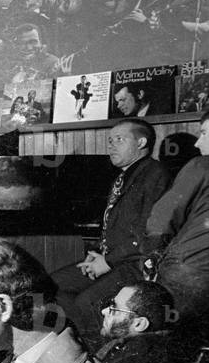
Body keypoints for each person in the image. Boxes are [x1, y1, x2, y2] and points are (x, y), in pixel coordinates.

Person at [51, 119, 170, 340]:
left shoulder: (155, 175)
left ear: (142, 142)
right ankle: (74, 343)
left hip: (134, 264)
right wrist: (97, 253)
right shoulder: (124, 176)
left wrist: (107, 262)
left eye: (119, 140)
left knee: (86, 304)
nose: (111, 146)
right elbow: (113, 224)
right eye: (109, 140)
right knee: (52, 285)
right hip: (111, 259)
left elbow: (149, 236)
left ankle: (94, 355)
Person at [142, 110, 209, 323]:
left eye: (205, 133)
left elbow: (164, 215)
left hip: (188, 273)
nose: (199, 143)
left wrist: (151, 255)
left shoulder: (201, 165)